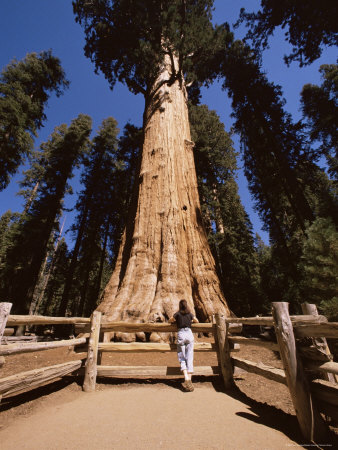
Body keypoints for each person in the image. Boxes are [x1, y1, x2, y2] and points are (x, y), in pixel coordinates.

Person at [169, 299, 199, 392]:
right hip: (189, 334)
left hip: (181, 334)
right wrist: (191, 321)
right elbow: (196, 321)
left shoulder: (177, 314)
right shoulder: (190, 314)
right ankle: (189, 380)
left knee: (181, 357)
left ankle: (186, 378)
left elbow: (170, 320)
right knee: (190, 357)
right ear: (187, 306)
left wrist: (173, 321)